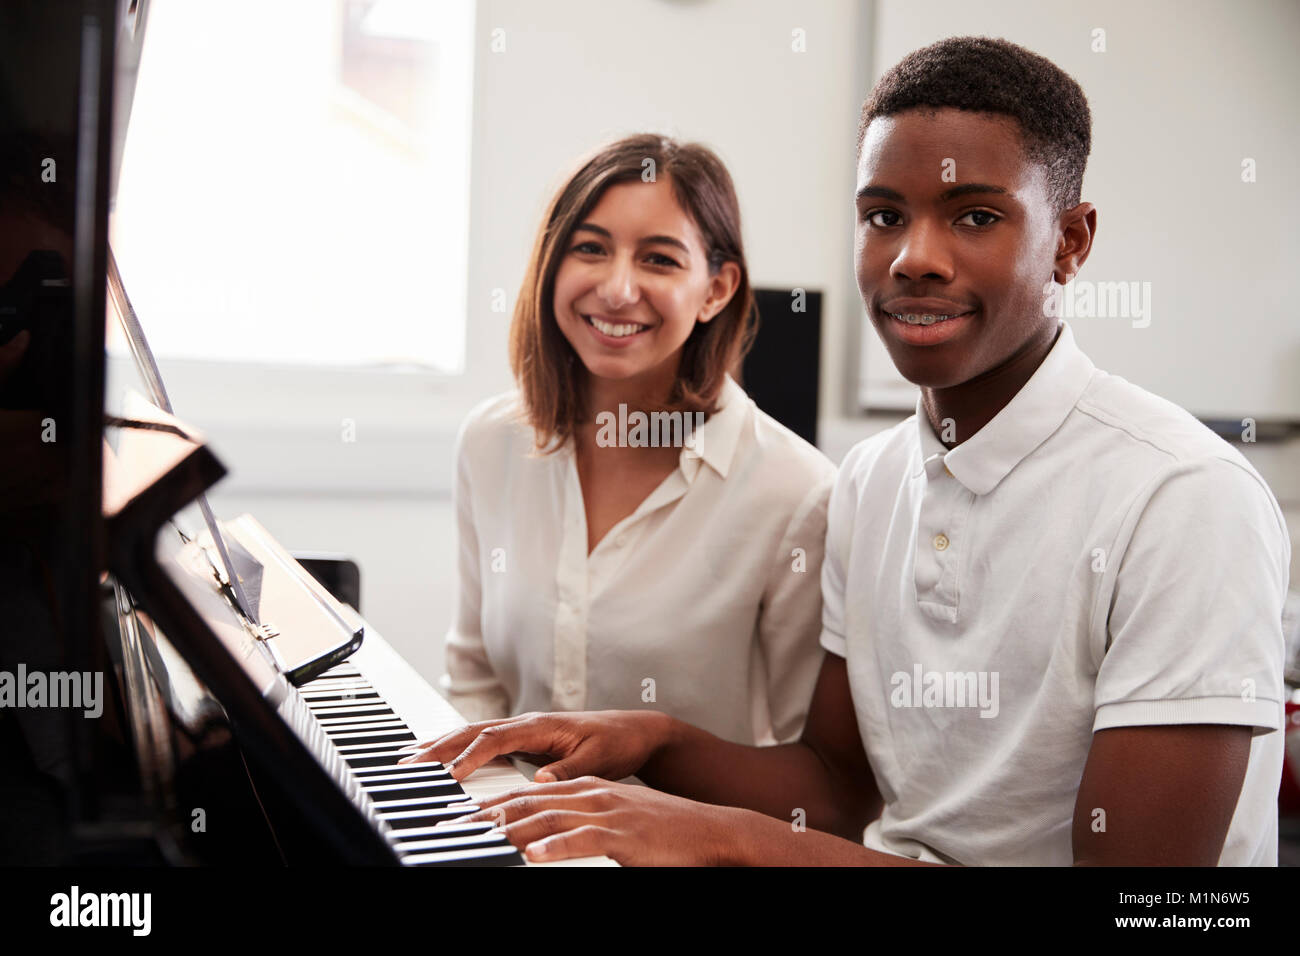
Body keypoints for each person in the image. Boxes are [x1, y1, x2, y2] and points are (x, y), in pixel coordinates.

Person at [407, 37, 1290, 866]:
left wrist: (724, 841)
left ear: (1070, 241)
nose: (914, 258)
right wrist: (656, 740)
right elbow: (830, 789)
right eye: (883, 215)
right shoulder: (873, 482)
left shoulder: (1184, 498)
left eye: (975, 216)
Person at [409, 134, 837, 754]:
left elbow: (810, 769)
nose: (615, 289)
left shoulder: (798, 493)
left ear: (716, 290)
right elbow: (474, 685)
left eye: (659, 259)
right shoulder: (490, 443)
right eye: (590, 248)